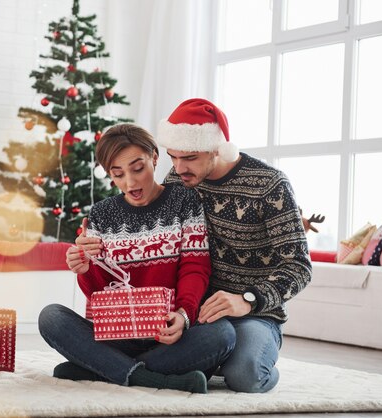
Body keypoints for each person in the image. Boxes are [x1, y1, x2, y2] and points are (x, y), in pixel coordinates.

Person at [38, 123, 236, 394]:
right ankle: (154, 378)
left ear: (154, 158)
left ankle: (101, 369)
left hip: (170, 334)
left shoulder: (185, 201)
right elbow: (99, 293)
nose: (130, 183)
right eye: (118, 174)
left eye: (138, 168)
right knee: (51, 318)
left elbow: (195, 267)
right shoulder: (101, 214)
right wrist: (85, 269)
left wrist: (183, 315)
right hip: (119, 335)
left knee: (222, 335)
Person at [154, 98, 312, 393]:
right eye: (172, 156)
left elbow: (299, 267)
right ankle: (214, 359)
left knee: (246, 375)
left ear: (216, 148)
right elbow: (159, 238)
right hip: (198, 312)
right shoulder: (178, 180)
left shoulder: (270, 184)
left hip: (255, 314)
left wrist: (248, 299)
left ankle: (231, 361)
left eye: (189, 158)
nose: (178, 167)